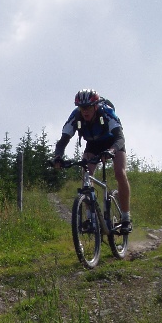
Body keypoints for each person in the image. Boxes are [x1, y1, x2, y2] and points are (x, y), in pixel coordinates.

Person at [53, 88, 131, 232]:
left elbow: (120, 137)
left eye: (88, 107)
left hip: (113, 143)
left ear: (95, 106)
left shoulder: (106, 112)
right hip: (93, 145)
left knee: (120, 173)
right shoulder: (75, 116)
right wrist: (58, 157)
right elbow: (63, 140)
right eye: (82, 108)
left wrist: (112, 150)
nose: (85, 111)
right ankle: (90, 218)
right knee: (86, 176)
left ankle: (126, 217)